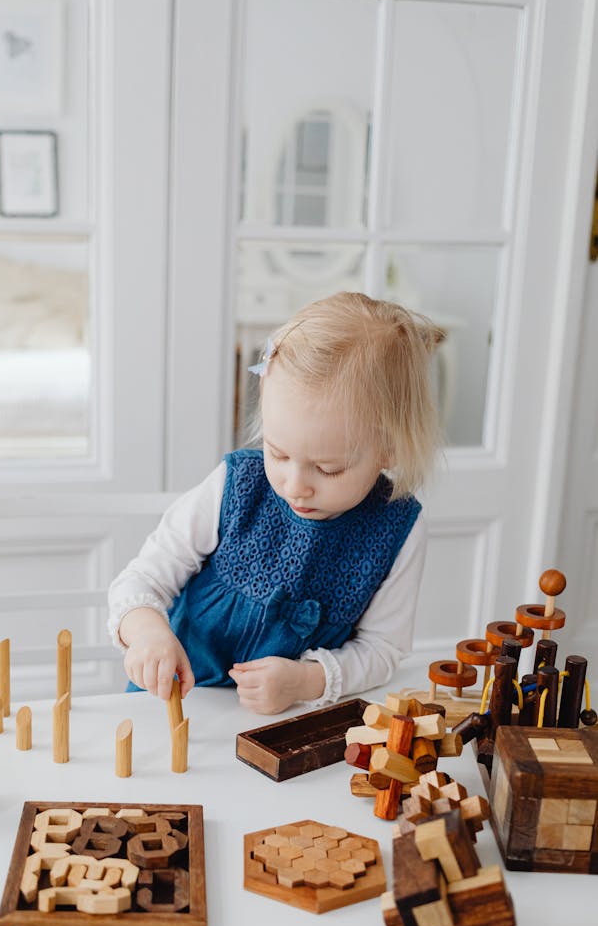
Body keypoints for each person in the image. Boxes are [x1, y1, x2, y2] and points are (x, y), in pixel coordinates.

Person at [107, 291, 443, 716]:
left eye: (328, 468)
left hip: (291, 721)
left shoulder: (399, 529)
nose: (295, 484)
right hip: (177, 706)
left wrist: (307, 680)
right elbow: (139, 582)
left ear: (389, 450)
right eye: (278, 453)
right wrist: (147, 634)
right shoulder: (236, 486)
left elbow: (382, 648)